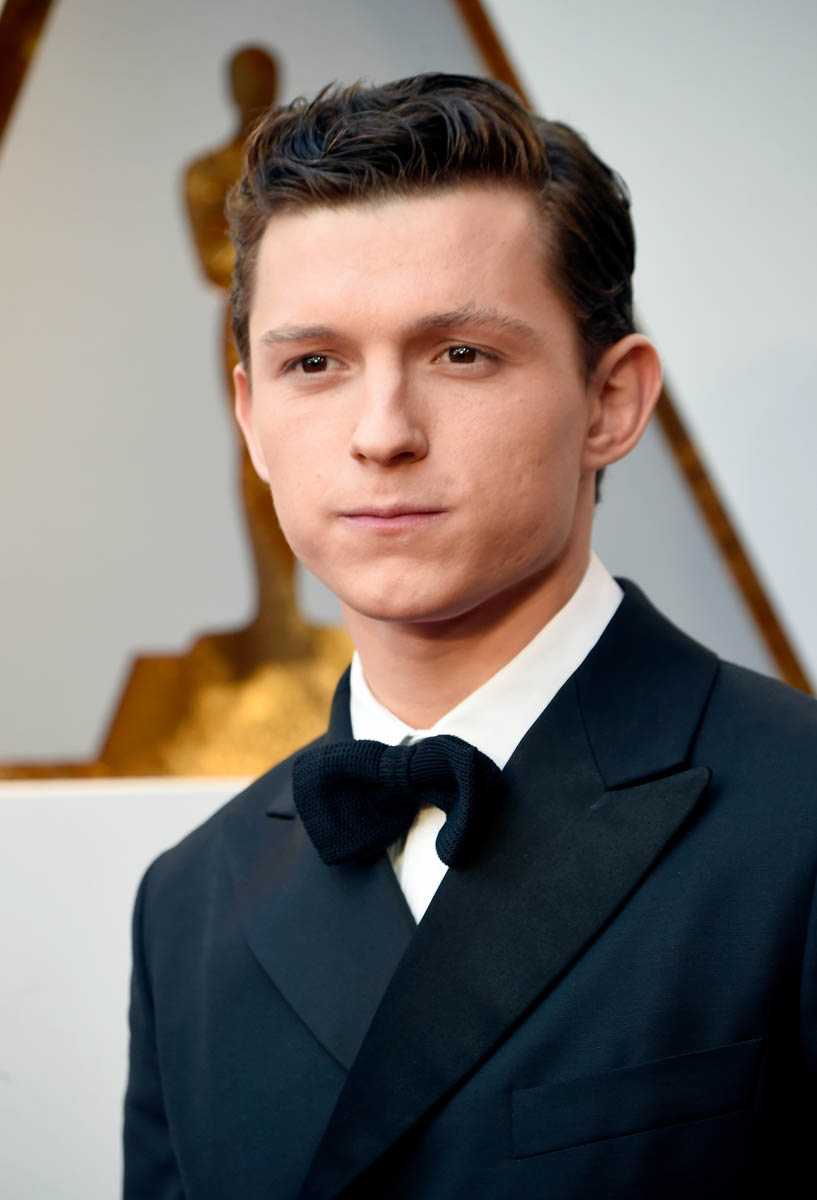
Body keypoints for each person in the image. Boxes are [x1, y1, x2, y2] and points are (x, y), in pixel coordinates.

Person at [123, 73, 817, 1199]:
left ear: (611, 402)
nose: (381, 434)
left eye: (460, 354)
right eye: (315, 364)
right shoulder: (188, 901)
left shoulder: (800, 814)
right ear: (251, 417)